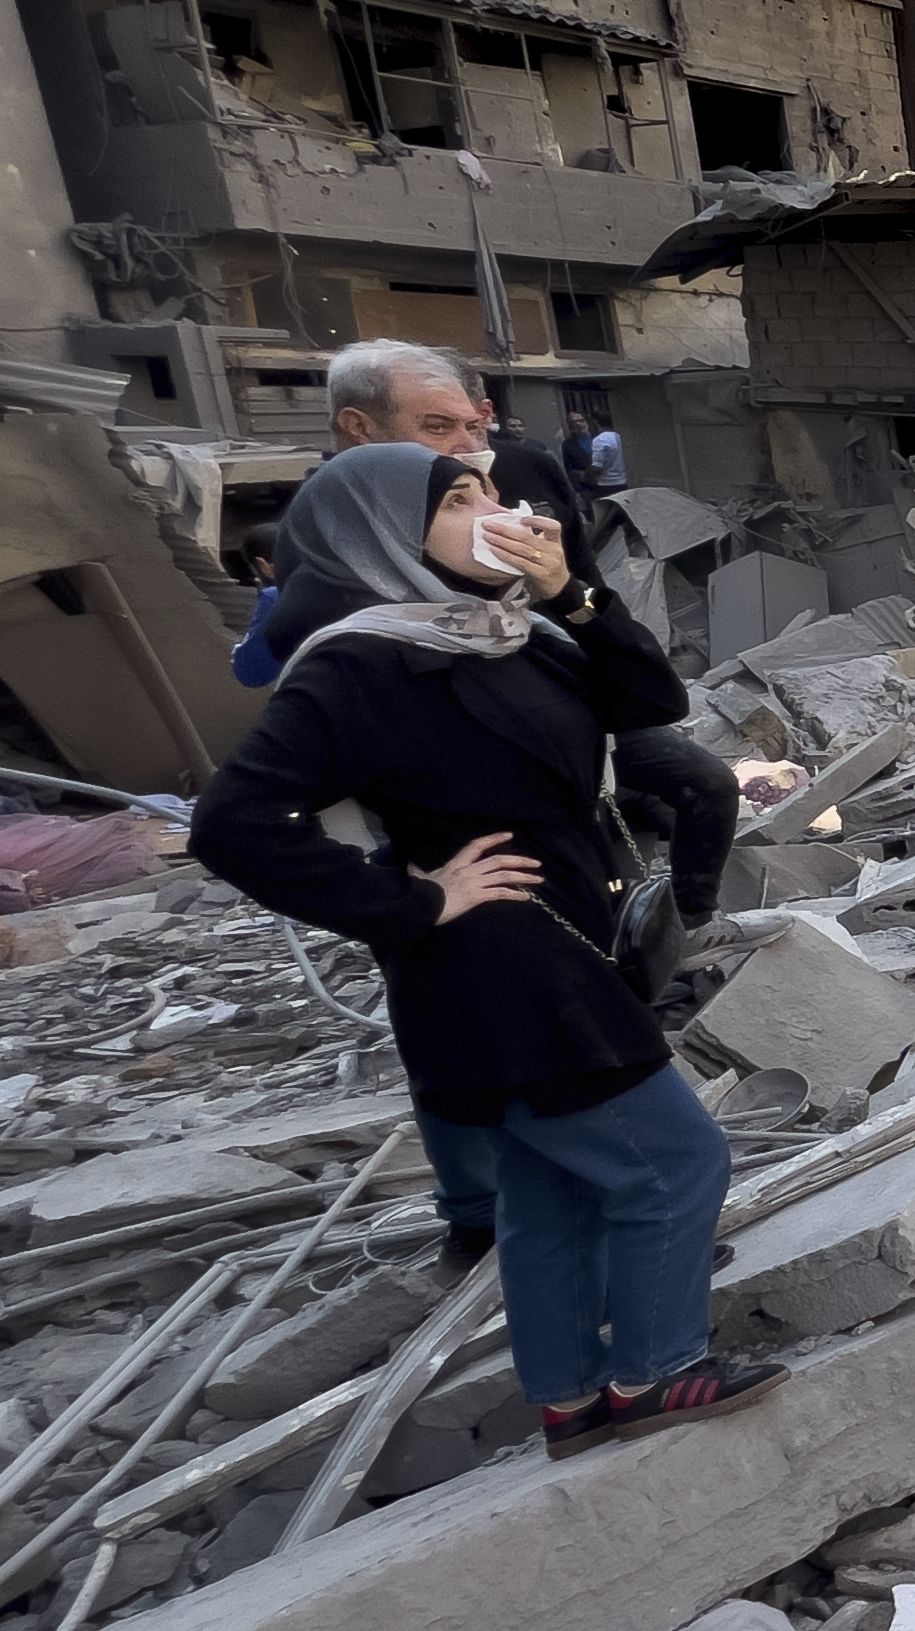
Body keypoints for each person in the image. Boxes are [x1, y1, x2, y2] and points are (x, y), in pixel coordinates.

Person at [191, 443, 785, 1457]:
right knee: (678, 1160)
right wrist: (415, 900)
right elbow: (233, 823)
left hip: (566, 939)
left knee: (550, 1190)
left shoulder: (508, 630)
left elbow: (650, 705)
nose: (496, 510)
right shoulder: (358, 659)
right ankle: (654, 1370)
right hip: (500, 965)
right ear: (382, 534)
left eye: (490, 491)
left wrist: (573, 589)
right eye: (459, 499)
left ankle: (569, 1398)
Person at [234, 342, 741, 1269]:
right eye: (442, 434)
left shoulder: (519, 481)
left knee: (688, 800)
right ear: (361, 431)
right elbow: (261, 779)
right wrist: (409, 892)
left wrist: (565, 603)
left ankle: (650, 983)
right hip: (459, 790)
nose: (477, 456)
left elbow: (606, 643)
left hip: (555, 718)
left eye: (475, 425)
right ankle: (486, 1198)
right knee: (465, 989)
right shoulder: (348, 551)